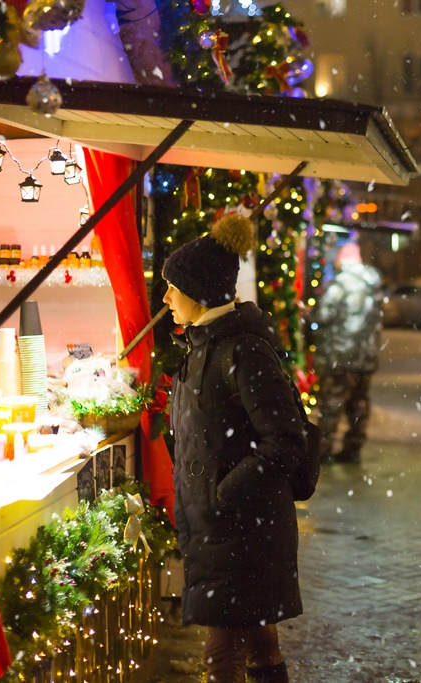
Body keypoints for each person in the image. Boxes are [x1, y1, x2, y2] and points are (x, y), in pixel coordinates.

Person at [162, 213, 305, 683]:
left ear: (198, 293)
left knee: (220, 656)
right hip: (225, 531)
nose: (165, 298)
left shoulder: (241, 349)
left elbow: (283, 440)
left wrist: (225, 494)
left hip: (243, 531)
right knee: (261, 645)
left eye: (172, 288)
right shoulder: (204, 345)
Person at [310, 242, 382, 465]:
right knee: (359, 403)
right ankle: (353, 448)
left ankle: (323, 451)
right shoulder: (374, 282)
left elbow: (321, 316)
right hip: (366, 356)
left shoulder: (340, 284)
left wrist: (308, 316)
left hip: (341, 356)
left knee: (332, 403)